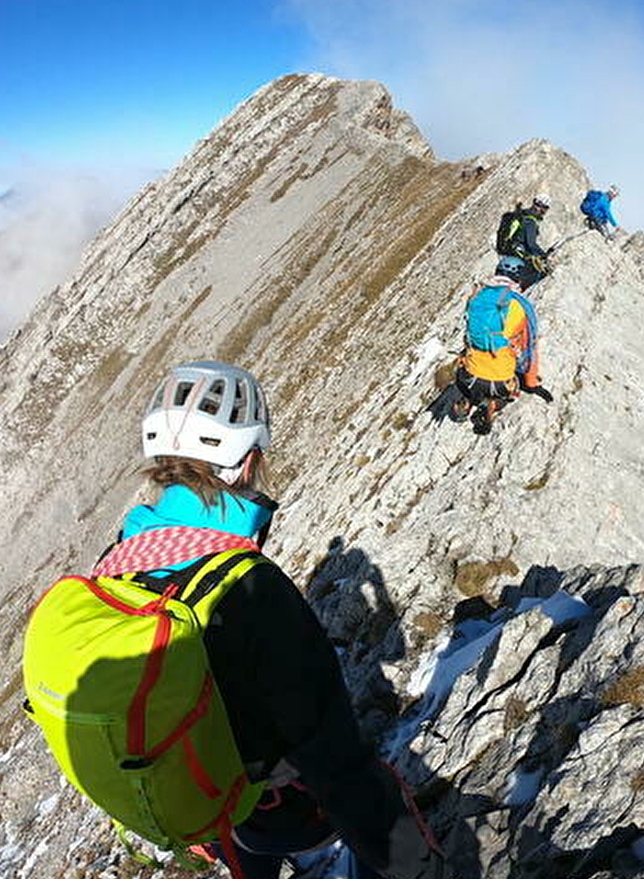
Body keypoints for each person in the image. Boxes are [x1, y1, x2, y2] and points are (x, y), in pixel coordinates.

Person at [38, 362, 441, 879]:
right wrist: (419, 867)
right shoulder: (249, 587)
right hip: (280, 812)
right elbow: (339, 768)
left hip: (197, 805)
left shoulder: (122, 556)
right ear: (248, 462)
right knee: (370, 793)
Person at [448, 272, 552, 434]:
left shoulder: (477, 301)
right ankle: (493, 405)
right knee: (511, 387)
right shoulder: (519, 308)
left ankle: (468, 400)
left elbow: (467, 342)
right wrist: (531, 384)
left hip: (469, 379)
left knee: (467, 369)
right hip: (500, 384)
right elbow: (528, 349)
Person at [495, 194, 553, 289]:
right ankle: (519, 290)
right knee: (540, 272)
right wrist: (544, 256)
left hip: (509, 251)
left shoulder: (522, 214)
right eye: (545, 208)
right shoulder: (530, 221)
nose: (544, 212)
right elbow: (531, 245)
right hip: (517, 254)